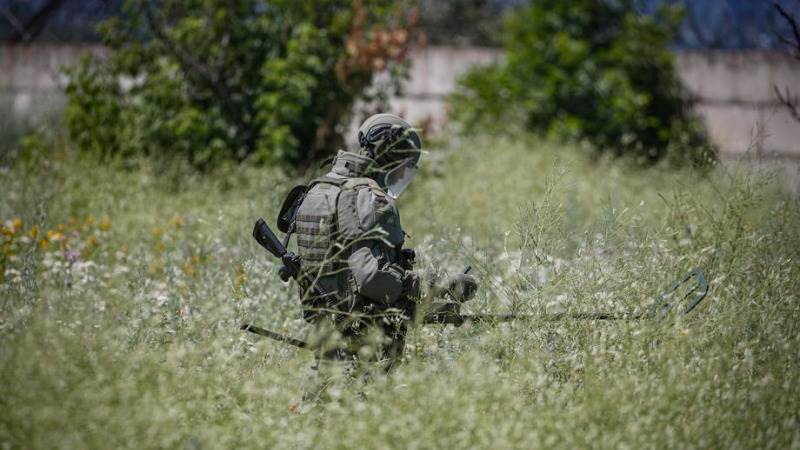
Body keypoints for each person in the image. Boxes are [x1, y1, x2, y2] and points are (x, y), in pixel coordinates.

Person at [285, 113, 476, 396]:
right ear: (390, 159)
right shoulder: (368, 197)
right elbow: (373, 278)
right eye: (402, 168)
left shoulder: (320, 190)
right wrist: (441, 284)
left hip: (325, 344)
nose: (401, 176)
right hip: (362, 353)